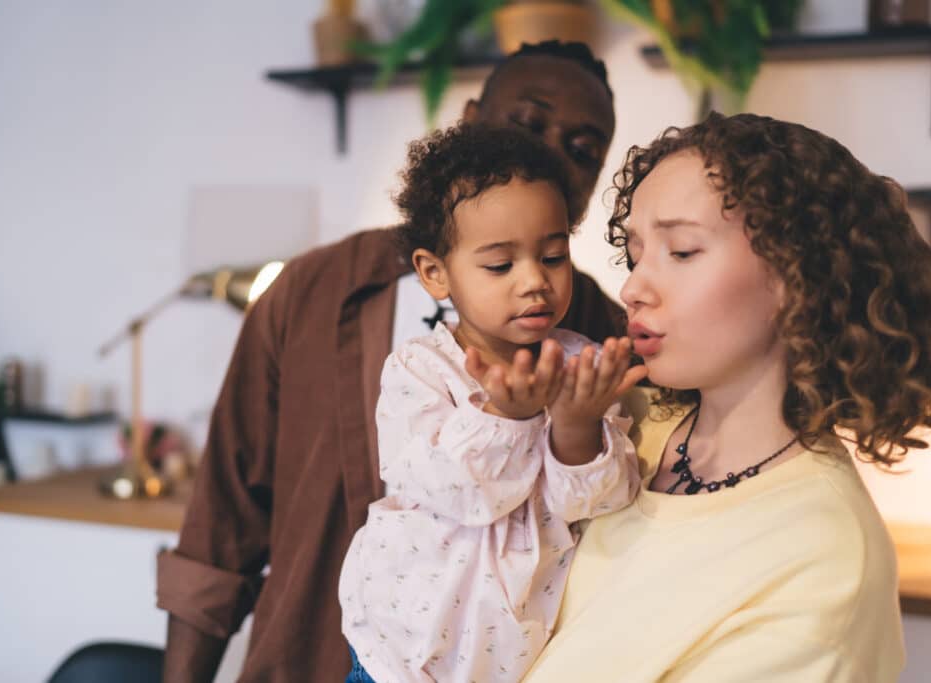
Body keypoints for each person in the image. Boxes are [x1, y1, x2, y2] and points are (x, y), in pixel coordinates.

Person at [156, 41, 624, 682]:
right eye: (528, 123)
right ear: (467, 118)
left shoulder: (598, 330)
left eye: (581, 148)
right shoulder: (312, 290)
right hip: (305, 662)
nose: (547, 153)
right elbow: (224, 516)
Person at [522, 112, 931, 682]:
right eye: (636, 252)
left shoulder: (823, 562)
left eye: (683, 252)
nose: (633, 288)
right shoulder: (620, 429)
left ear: (798, 273)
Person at [338, 124, 644, 682]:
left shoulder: (581, 368)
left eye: (553, 256)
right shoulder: (419, 370)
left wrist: (575, 427)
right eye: (501, 265)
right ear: (436, 273)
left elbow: (602, 505)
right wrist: (511, 415)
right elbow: (455, 491)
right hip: (401, 656)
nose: (535, 281)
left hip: (511, 658)